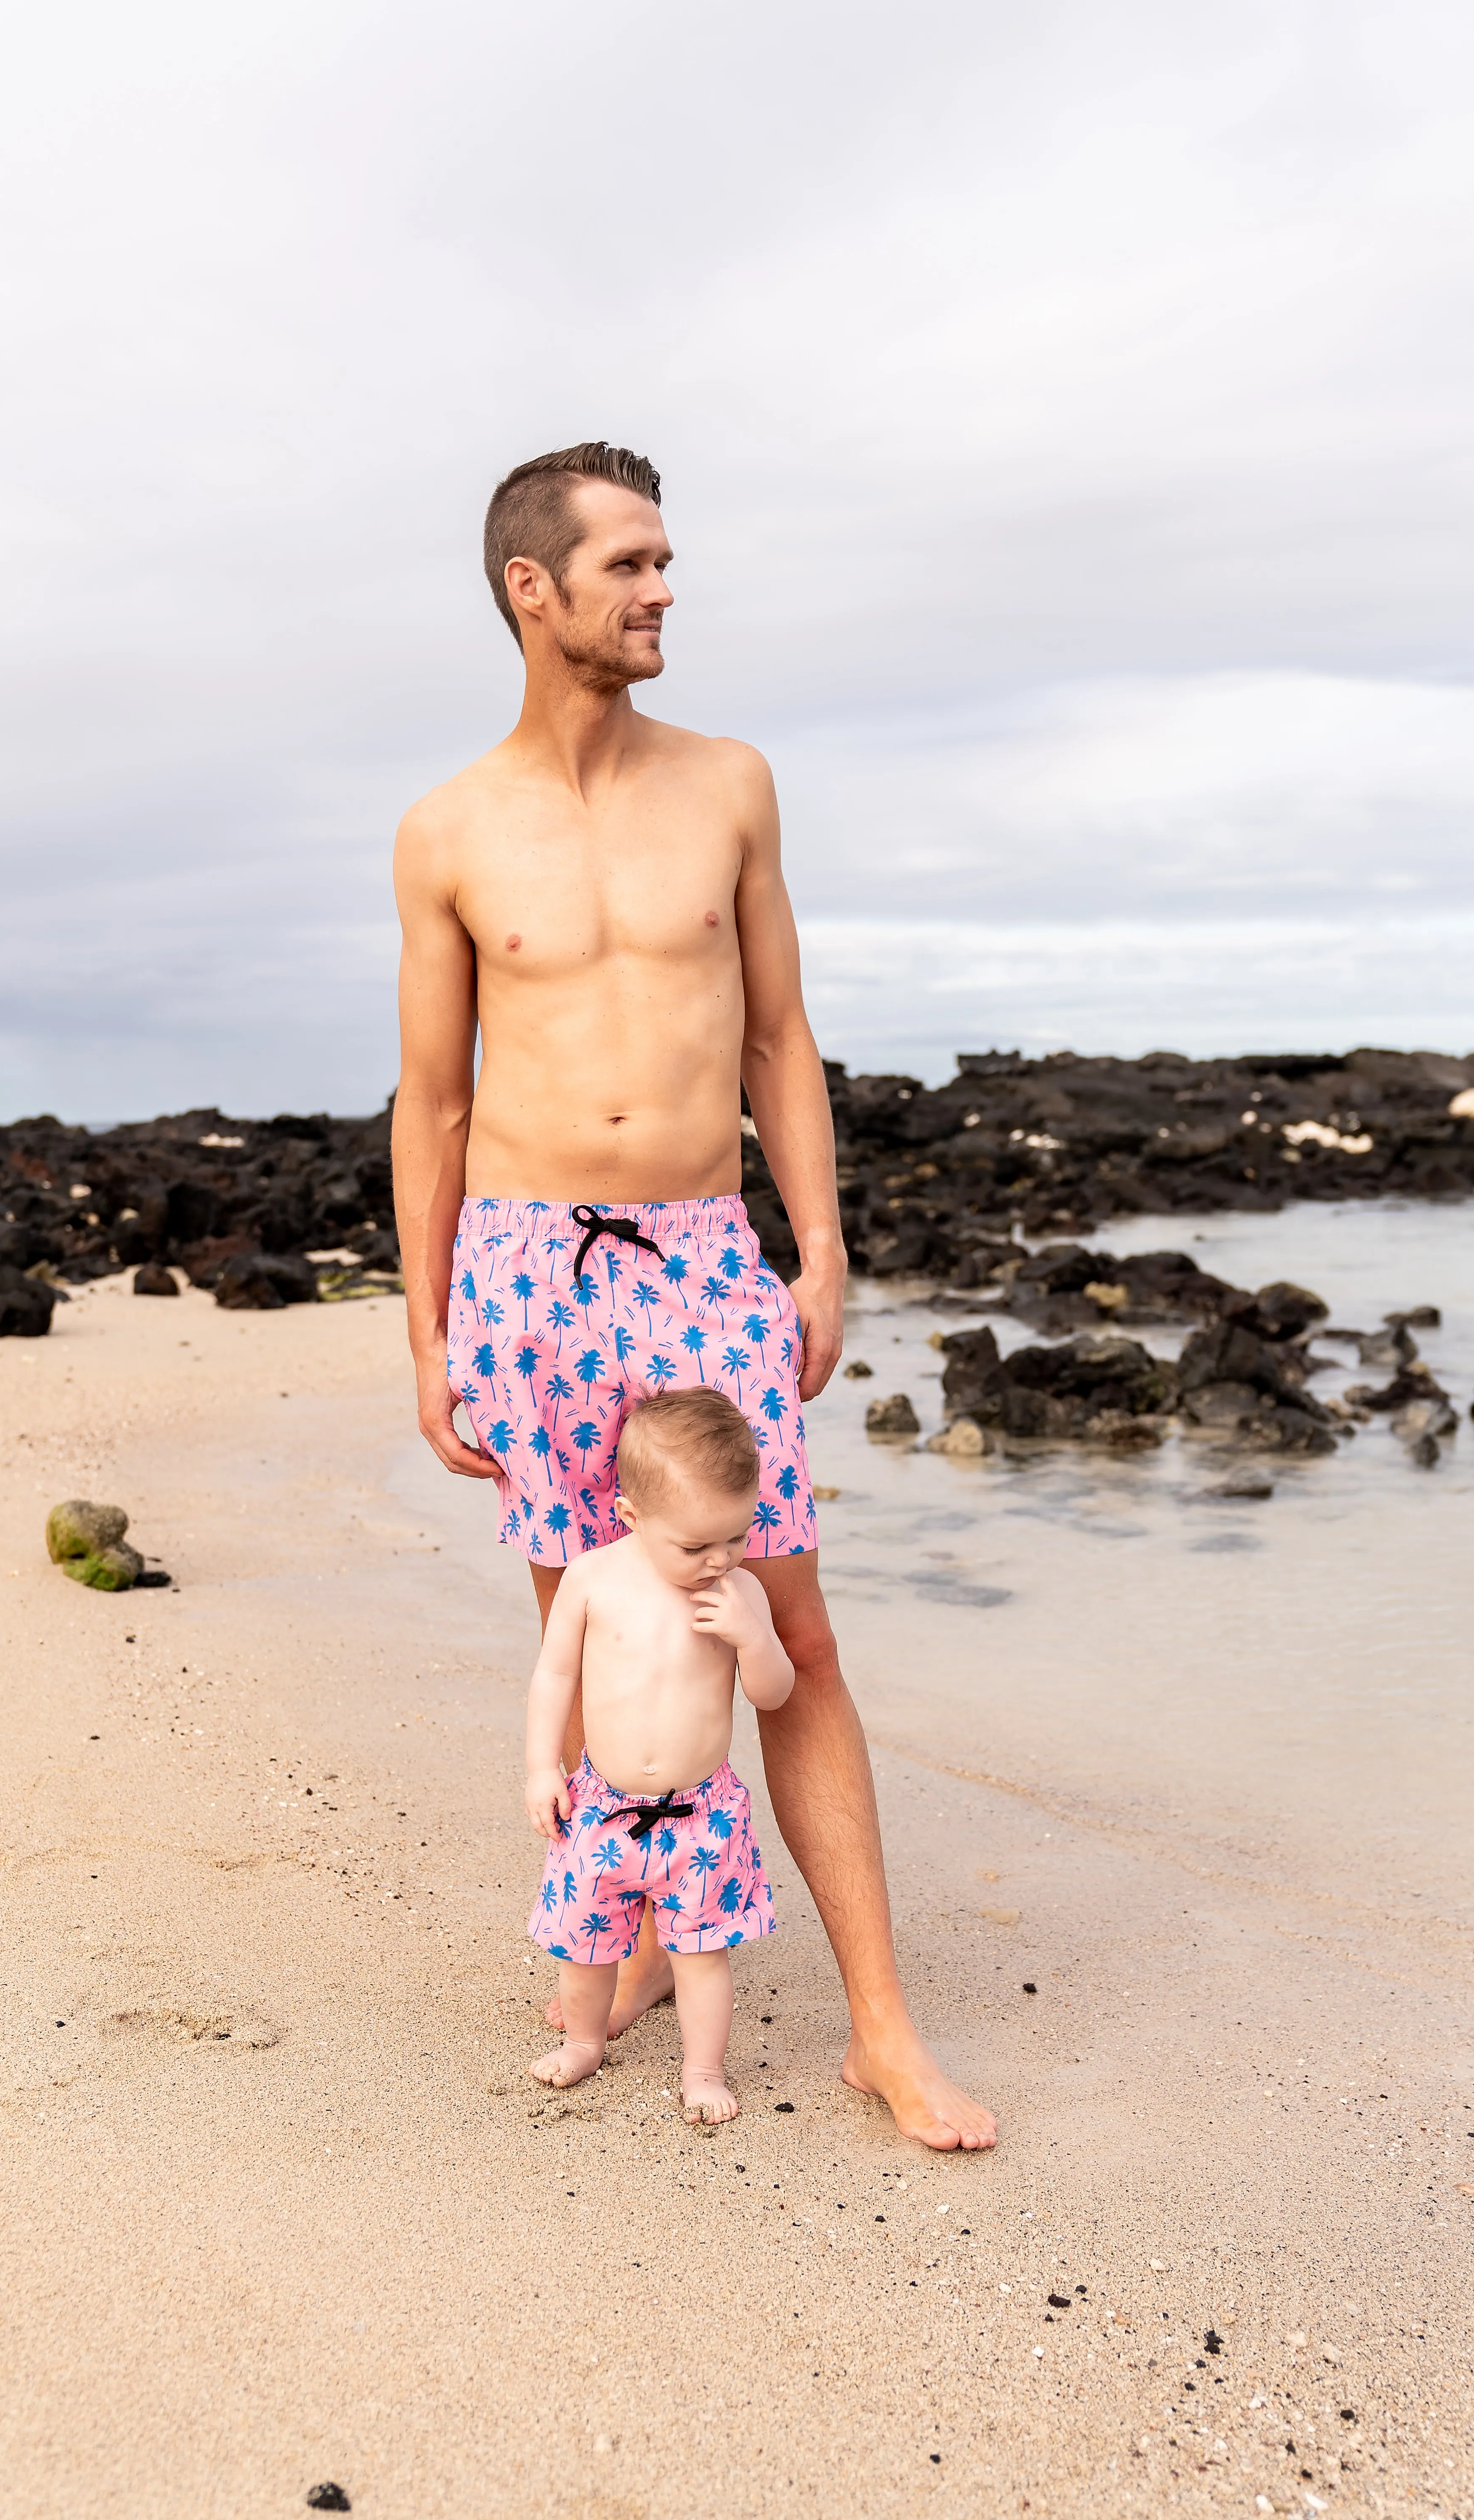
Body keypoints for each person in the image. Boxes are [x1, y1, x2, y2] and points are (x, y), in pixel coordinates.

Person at [391, 439, 996, 2152]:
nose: (665, 591)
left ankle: (882, 2026)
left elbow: (777, 1036)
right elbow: (429, 1100)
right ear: (536, 588)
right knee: (593, 1640)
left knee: (788, 1633)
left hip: (702, 1259)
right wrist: (427, 1329)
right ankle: (639, 1941)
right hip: (520, 1268)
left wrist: (818, 1247)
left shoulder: (729, 782)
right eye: (633, 564)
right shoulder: (444, 832)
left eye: (666, 563)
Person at [524, 1388, 792, 2122]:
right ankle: (584, 2042)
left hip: (701, 1820)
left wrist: (753, 1639)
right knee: (584, 1947)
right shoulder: (593, 1580)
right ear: (632, 1516)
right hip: (600, 1810)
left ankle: (703, 2071)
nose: (720, 1560)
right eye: (697, 1546)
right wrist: (543, 1766)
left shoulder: (740, 1595)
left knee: (702, 1956)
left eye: (736, 1538)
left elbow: (772, 1696)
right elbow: (555, 1675)